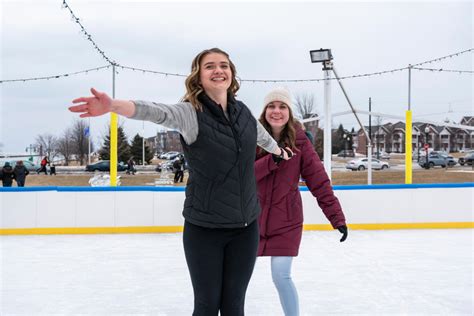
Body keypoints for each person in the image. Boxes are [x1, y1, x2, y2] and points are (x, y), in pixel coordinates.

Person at [69, 47, 293, 315]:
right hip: (205, 228)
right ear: (198, 76)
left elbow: (262, 137)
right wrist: (113, 106)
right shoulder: (190, 113)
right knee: (207, 306)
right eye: (210, 66)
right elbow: (155, 112)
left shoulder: (243, 112)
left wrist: (279, 152)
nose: (218, 70)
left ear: (232, 74)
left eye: (224, 65)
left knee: (235, 306)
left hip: (245, 228)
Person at [255, 87, 348, 316]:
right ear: (264, 111)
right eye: (271, 106)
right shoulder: (251, 138)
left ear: (289, 112)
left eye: (282, 106)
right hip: (251, 219)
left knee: (281, 275)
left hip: (286, 221)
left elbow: (319, 182)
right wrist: (272, 160)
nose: (276, 111)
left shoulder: (300, 144)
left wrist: (337, 218)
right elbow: (241, 175)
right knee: (237, 277)